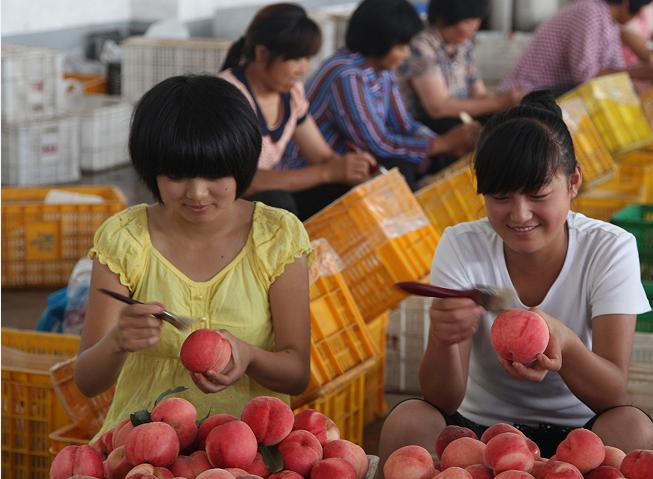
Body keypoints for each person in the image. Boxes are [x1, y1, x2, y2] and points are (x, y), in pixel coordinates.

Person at [377, 91, 653, 464]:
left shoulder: (609, 249)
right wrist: (445, 338)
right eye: (500, 197)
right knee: (408, 421)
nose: (520, 214)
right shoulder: (462, 245)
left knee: (633, 430)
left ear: (573, 182)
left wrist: (565, 343)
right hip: (480, 433)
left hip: (580, 437)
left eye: (538, 194)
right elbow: (441, 399)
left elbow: (612, 395)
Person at [74, 75, 314, 439]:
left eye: (215, 173)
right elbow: (87, 382)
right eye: (177, 175)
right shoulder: (125, 239)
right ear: (151, 169)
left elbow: (297, 374)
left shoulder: (276, 237)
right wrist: (117, 341)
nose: (197, 193)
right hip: (142, 447)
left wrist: (248, 356)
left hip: (246, 447)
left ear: (241, 164)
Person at [219, 3, 377, 220]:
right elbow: (247, 181)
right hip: (223, 202)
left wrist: (352, 167)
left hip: (266, 195)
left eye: (307, 58)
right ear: (262, 53)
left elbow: (322, 156)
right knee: (278, 203)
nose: (304, 68)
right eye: (295, 58)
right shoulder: (229, 95)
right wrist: (329, 172)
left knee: (341, 191)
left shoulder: (291, 93)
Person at [303, 0, 480, 190]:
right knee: (400, 170)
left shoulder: (382, 70)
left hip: (354, 162)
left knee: (442, 150)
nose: (406, 54)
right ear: (381, 42)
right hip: (319, 172)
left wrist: (447, 143)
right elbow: (377, 144)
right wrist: (443, 143)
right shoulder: (346, 74)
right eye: (402, 47)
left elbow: (404, 124)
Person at [397, 0, 525, 134]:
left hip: (457, 116)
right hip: (425, 123)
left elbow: (479, 95)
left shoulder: (463, 45)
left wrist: (509, 102)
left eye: (477, 20)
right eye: (468, 22)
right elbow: (437, 107)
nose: (475, 27)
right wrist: (499, 102)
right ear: (444, 20)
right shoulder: (421, 46)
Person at [499, 0, 653, 96]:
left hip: (554, 91)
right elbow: (584, 76)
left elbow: (617, 68)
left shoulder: (611, 24)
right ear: (626, 4)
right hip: (531, 92)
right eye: (639, 11)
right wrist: (637, 73)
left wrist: (638, 81)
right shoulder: (590, 12)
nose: (640, 16)